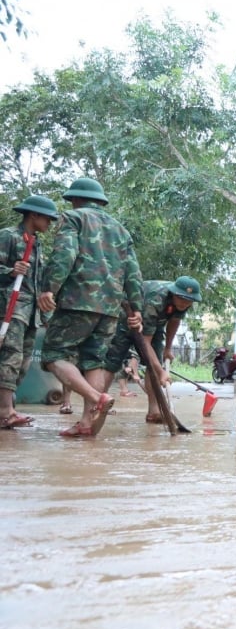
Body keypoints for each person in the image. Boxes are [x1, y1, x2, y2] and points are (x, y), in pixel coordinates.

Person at [37, 177, 143, 438]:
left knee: (53, 354)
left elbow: (65, 254)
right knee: (93, 360)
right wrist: (136, 306)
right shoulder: (120, 229)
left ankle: (97, 397)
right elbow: (132, 271)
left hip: (77, 300)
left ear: (74, 199)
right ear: (100, 201)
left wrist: (49, 287)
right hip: (109, 308)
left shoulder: (73, 218)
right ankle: (86, 422)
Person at [100, 276, 202, 424]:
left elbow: (174, 320)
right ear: (174, 293)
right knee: (112, 363)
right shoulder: (155, 300)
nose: (185, 303)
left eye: (189, 300)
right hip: (126, 319)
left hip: (154, 325)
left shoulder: (183, 304)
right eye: (181, 298)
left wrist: (168, 348)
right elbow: (145, 343)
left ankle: (154, 412)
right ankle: (97, 402)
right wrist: (161, 371)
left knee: (153, 364)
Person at [0, 195, 59, 428]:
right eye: (47, 218)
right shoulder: (8, 236)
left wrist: (44, 316)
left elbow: (38, 282)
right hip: (10, 309)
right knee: (10, 357)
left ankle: (7, 409)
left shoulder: (36, 242)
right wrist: (10, 270)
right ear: (33, 215)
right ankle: (6, 411)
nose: (50, 223)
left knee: (23, 361)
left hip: (31, 312)